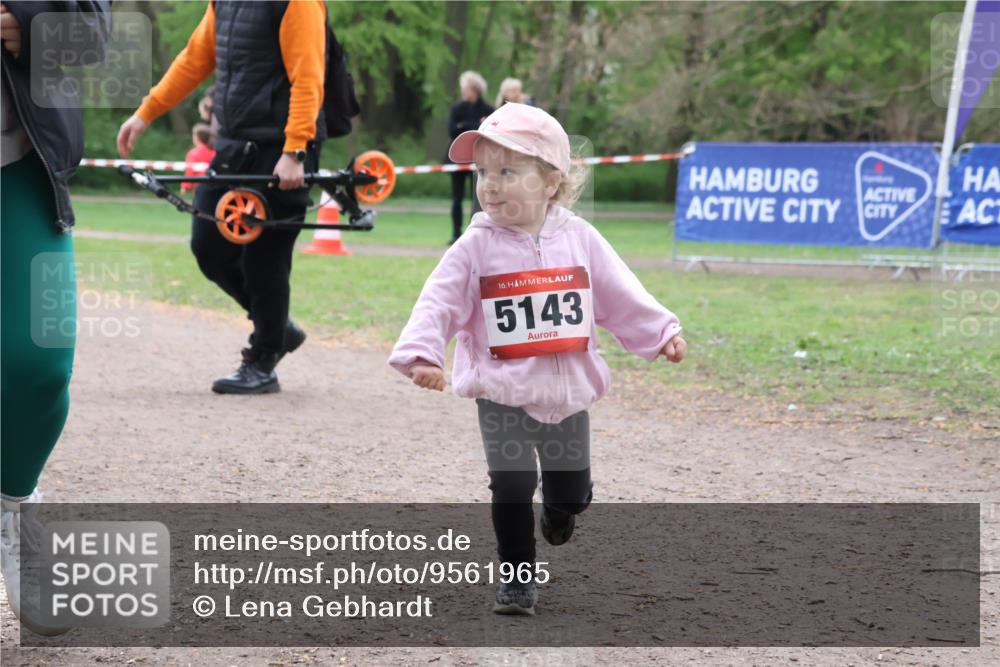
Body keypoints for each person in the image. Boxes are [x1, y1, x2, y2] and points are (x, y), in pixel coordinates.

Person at [388, 103, 687, 616]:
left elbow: (618, 293)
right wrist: (423, 353)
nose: (490, 185)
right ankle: (517, 578)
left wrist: (660, 332)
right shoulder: (475, 246)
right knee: (510, 482)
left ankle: (561, 506)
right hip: (502, 390)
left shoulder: (579, 238)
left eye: (507, 171)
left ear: (551, 182)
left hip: (567, 394)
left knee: (570, 494)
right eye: (483, 172)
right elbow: (439, 299)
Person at [117, 0, 328, 394]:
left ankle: (264, 357)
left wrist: (294, 150)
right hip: (232, 145)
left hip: (281, 151)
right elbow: (194, 60)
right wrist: (146, 112)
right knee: (208, 245)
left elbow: (309, 77)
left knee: (266, 259)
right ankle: (276, 327)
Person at [1, 0, 111, 634]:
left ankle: (16, 503)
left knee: (41, 365)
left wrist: (33, 22)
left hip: (18, 169)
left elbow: (95, 35)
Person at [446, 70, 493, 245]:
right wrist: (472, 125)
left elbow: (487, 130)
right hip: (457, 160)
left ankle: (474, 234)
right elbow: (452, 130)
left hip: (478, 160)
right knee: (456, 198)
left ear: (475, 89)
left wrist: (463, 126)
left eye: (466, 88)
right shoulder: (457, 108)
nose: (463, 92)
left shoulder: (488, 109)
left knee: (477, 198)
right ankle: (455, 233)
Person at [181, 123, 215, 193]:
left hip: (199, 187)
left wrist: (185, 186)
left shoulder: (193, 153)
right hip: (214, 185)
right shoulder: (214, 152)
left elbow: (190, 171)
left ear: (197, 137)